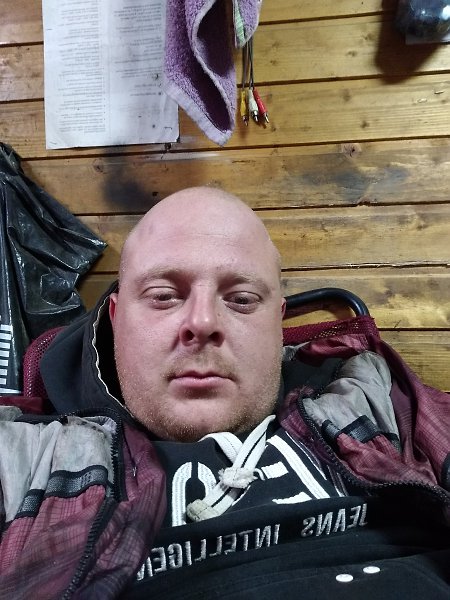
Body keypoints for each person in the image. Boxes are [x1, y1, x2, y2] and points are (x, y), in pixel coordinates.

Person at [0, 187, 449, 599]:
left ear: (278, 323)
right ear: (116, 320)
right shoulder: (33, 456)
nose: (202, 322)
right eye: (163, 295)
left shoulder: (373, 398)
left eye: (241, 299)